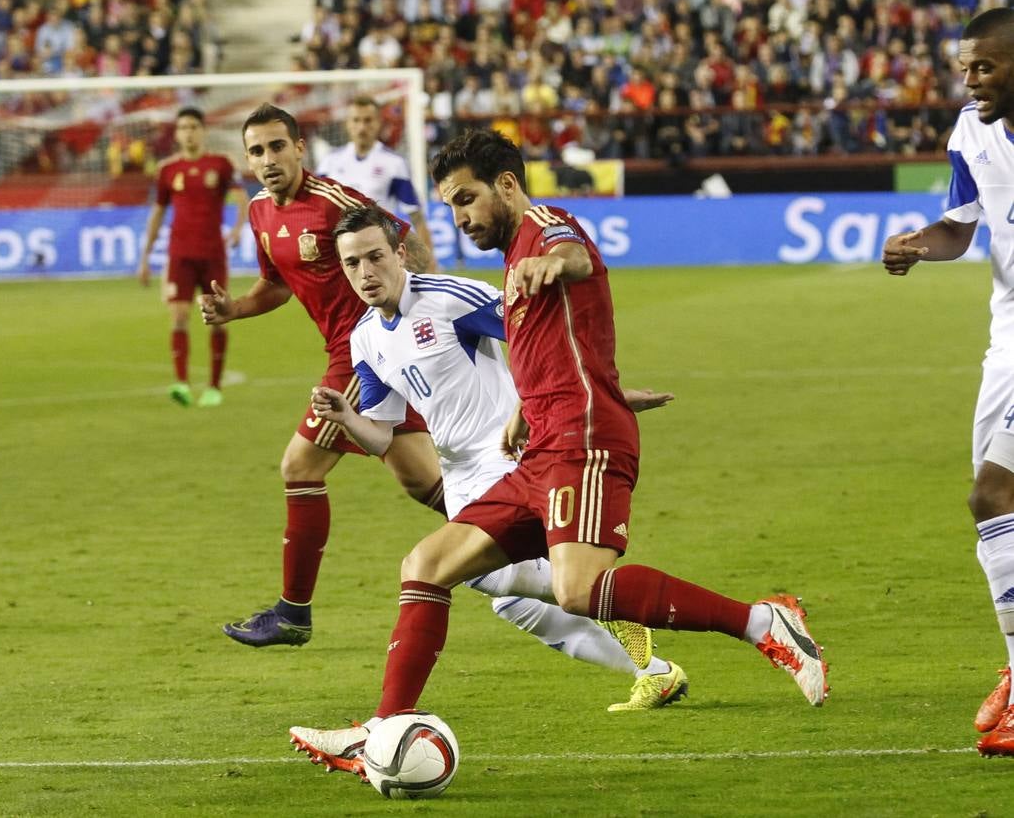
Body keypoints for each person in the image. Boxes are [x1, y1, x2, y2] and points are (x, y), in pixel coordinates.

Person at [288, 129, 828, 775]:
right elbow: (544, 352)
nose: (459, 218)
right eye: (452, 205)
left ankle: (762, 623)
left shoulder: (542, 227)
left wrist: (555, 267)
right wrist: (525, 405)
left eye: (467, 200)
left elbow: (572, 253)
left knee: (575, 591)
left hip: (584, 440)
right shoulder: (415, 312)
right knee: (426, 564)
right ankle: (382, 728)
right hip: (541, 441)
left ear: (507, 186)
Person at [305, 204, 688, 715]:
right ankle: (652, 670)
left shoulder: (448, 299)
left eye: (375, 257)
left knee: (478, 573)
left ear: (400, 252)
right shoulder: (366, 340)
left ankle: (604, 598)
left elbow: (546, 334)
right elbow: (385, 436)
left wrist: (602, 390)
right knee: (513, 603)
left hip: (511, 454)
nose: (365, 272)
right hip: (458, 473)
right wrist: (347, 417)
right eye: (352, 263)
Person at [201, 103, 440, 647]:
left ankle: (292, 613)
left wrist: (433, 314)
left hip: (366, 354)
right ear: (247, 159)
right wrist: (233, 308)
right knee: (423, 483)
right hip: (353, 353)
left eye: (277, 146)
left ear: (300, 148)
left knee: (300, 465)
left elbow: (406, 244)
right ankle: (514, 535)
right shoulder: (261, 213)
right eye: (257, 151)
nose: (268, 159)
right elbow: (278, 284)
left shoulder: (333, 201)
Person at [881, 6, 1014, 758]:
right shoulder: (971, 131)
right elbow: (960, 228)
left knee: (992, 495)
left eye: (985, 67)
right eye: (965, 68)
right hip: (1007, 336)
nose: (969, 81)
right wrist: (917, 247)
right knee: (1001, 508)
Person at [138, 107, 248, 407]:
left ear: (203, 131)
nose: (188, 132)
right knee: (179, 316)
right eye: (183, 127)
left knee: (216, 319)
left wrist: (238, 229)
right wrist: (146, 257)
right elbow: (158, 212)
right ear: (177, 133)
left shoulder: (221, 164)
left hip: (213, 255)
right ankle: (181, 383)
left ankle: (214, 386)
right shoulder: (167, 170)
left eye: (193, 127)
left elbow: (242, 200)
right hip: (179, 255)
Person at [315, 96, 438, 271]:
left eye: (368, 120)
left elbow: (416, 216)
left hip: (377, 251)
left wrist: (430, 262)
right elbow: (315, 210)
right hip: (337, 252)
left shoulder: (394, 163)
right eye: (356, 120)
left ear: (379, 122)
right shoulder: (329, 163)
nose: (362, 127)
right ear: (347, 124)